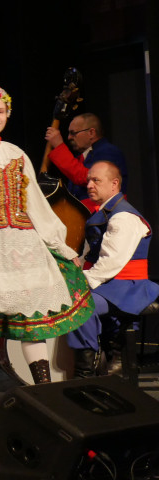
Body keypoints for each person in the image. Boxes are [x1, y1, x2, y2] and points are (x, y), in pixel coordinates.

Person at [0, 84, 94, 414]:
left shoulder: (17, 154)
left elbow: (36, 204)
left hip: (22, 243)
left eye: (1, 111)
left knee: (33, 316)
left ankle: (44, 392)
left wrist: (57, 243)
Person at [66, 161, 159, 377]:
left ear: (114, 184)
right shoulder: (104, 213)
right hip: (111, 284)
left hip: (128, 286)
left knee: (81, 303)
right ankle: (97, 361)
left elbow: (110, 263)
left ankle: (86, 373)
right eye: (89, 179)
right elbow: (91, 254)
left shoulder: (123, 217)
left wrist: (79, 281)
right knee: (71, 296)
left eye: (96, 180)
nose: (89, 184)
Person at [44, 112, 128, 205]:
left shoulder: (109, 151)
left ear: (91, 132)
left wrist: (59, 146)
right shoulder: (83, 157)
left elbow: (85, 177)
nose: (69, 137)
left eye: (73, 133)